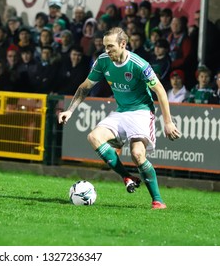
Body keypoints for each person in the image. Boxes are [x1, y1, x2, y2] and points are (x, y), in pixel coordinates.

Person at [58, 27, 181, 209]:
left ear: (123, 44)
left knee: (137, 154)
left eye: (111, 47)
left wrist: (168, 122)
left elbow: (160, 91)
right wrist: (70, 111)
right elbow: (85, 87)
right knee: (93, 137)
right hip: (121, 111)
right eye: (105, 47)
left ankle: (158, 200)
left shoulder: (139, 65)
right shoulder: (103, 61)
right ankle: (127, 176)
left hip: (141, 112)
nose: (107, 51)